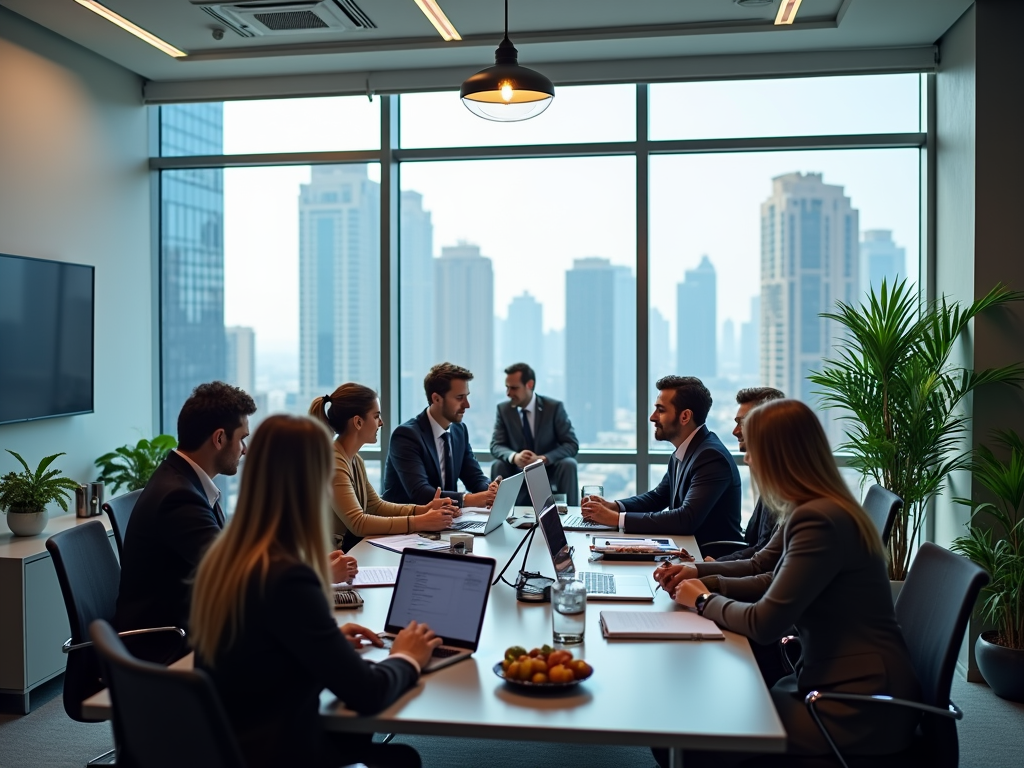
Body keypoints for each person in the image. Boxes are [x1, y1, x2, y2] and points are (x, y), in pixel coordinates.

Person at [656, 399, 921, 765]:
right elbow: (765, 567)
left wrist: (702, 600)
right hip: (830, 681)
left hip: (855, 706)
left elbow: (764, 624)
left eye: (754, 449)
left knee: (689, 736)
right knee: (686, 725)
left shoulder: (820, 521)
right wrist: (700, 575)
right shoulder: (812, 505)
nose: (747, 459)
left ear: (778, 455)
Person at [190, 415, 438, 768]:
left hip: (231, 744)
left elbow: (260, 642)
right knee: (401, 760)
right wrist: (407, 655)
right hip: (277, 752)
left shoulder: (225, 557)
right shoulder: (289, 576)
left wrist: (326, 638)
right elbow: (368, 693)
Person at [114, 382, 257, 652]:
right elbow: (231, 572)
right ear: (219, 439)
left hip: (189, 624)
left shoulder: (183, 479)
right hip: (166, 644)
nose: (244, 449)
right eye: (242, 438)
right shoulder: (179, 497)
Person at [581, 376, 742, 546]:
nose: (652, 417)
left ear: (685, 416)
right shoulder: (687, 450)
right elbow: (658, 498)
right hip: (687, 551)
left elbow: (685, 519)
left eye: (661, 410)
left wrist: (615, 519)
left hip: (710, 559)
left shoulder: (710, 456)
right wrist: (614, 506)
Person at [309, 384, 459, 552]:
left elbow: (376, 507)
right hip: (333, 558)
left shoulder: (355, 460)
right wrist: (421, 521)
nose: (381, 422)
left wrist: (424, 509)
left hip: (351, 550)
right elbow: (358, 523)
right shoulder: (334, 463)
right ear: (358, 422)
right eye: (376, 416)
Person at [382, 363, 498, 508]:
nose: (467, 405)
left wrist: (489, 489)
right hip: (408, 524)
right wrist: (469, 500)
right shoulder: (406, 435)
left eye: (466, 397)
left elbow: (474, 477)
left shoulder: (459, 431)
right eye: (459, 398)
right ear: (436, 398)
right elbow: (421, 493)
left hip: (446, 521)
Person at [710, 386, 785, 562]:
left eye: (742, 423)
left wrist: (714, 570)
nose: (735, 431)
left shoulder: (785, 487)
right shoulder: (772, 479)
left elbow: (764, 562)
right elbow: (757, 547)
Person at [490, 362, 580, 505]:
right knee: (498, 465)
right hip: (516, 470)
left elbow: (571, 444)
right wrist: (515, 457)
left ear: (529, 385)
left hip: (548, 470)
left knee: (569, 464)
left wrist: (542, 459)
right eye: (507, 387)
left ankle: (571, 516)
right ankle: (499, 515)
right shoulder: (504, 409)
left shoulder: (553, 408)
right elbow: (496, 445)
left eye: (513, 388)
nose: (508, 393)